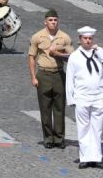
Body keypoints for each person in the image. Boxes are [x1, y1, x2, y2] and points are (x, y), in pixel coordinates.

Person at [66, 26, 103, 169]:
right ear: (80, 40)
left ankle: (96, 157)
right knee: (83, 128)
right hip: (82, 97)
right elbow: (69, 79)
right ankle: (84, 157)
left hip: (98, 96)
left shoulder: (98, 53)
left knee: (97, 129)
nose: (88, 41)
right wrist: (70, 99)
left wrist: (99, 51)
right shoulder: (74, 56)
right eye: (85, 39)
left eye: (90, 39)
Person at [27, 10, 72, 149]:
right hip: (44, 74)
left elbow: (71, 56)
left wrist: (58, 52)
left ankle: (59, 138)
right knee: (45, 108)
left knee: (59, 107)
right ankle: (48, 138)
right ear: (45, 22)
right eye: (51, 20)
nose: (53, 22)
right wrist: (33, 77)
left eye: (55, 20)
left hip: (59, 74)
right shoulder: (37, 37)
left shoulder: (64, 37)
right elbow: (31, 57)